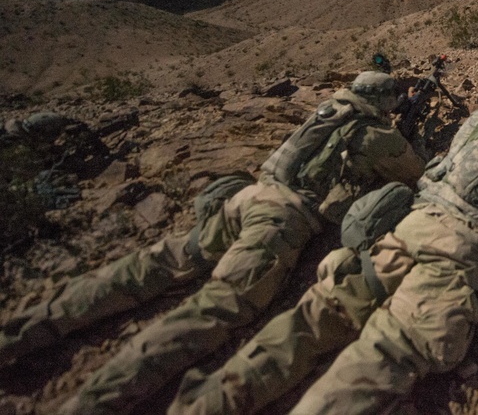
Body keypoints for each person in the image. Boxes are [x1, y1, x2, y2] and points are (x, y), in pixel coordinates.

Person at [0, 72, 425, 415]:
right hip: (280, 218)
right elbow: (412, 172)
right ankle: (95, 403)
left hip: (247, 196)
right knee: (215, 308)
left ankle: (24, 329)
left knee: (153, 265)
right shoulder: (370, 132)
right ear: (384, 100)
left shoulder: (327, 110)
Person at [170, 64, 478, 415]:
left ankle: (208, 402)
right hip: (457, 255)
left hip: (409, 228)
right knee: (384, 352)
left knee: (316, 316)